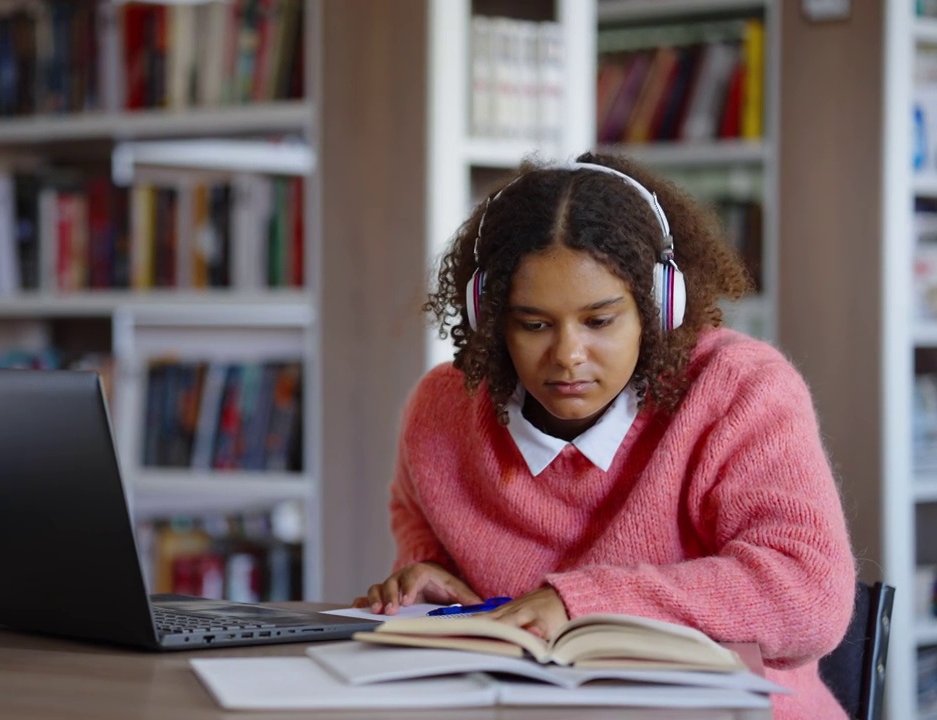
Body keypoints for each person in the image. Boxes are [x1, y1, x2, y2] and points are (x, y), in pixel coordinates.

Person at [352, 151, 857, 720]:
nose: (567, 356)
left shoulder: (740, 392)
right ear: (489, 319)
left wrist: (582, 603)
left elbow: (809, 595)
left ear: (658, 307)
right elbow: (417, 515)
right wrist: (426, 571)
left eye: (599, 321)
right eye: (534, 324)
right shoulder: (441, 409)